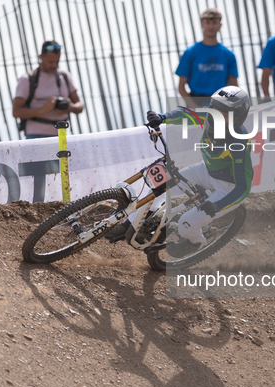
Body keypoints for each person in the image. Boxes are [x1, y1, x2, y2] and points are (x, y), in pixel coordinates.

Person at [107, 86, 254, 258]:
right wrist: (161, 117)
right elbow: (186, 114)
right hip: (207, 171)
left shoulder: (239, 142)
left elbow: (243, 187)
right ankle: (131, 223)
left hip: (228, 187)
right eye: (215, 109)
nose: (215, 115)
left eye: (224, 114)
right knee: (160, 185)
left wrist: (217, 205)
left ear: (237, 117)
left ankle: (195, 242)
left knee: (185, 224)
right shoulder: (210, 117)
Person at [13, 40, 84, 139]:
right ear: (41, 57)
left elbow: (80, 106)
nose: (54, 65)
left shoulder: (65, 77)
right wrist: (43, 110)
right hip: (35, 136)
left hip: (61, 134)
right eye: (51, 62)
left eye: (57, 62)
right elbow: (16, 112)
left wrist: (70, 107)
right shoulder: (27, 80)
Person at [175, 8, 238, 108]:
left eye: (214, 22)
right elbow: (181, 86)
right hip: (196, 105)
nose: (211, 26)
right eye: (207, 22)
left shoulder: (228, 55)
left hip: (221, 105)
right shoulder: (190, 53)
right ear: (202, 24)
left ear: (220, 25)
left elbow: (234, 87)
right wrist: (194, 107)